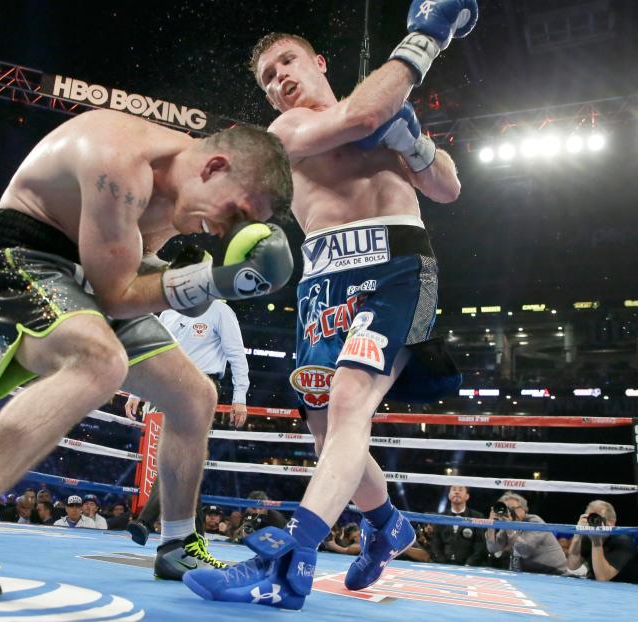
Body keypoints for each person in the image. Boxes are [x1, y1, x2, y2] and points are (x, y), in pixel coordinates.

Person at [0, 105, 294, 597]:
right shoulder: (119, 160)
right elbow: (117, 294)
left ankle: (177, 544)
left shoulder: (180, 200)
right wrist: (209, 279)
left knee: (196, 396)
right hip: (22, 258)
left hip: (88, 279)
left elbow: (135, 277)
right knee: (99, 362)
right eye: (236, 213)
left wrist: (202, 283)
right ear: (213, 168)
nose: (226, 230)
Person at [184, 0, 474, 610]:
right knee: (328, 431)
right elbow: (365, 110)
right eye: (267, 78)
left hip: (395, 268)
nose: (279, 78)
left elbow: (447, 188)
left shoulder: (385, 113)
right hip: (323, 283)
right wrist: (427, 37)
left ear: (317, 62)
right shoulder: (287, 133)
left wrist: (416, 146)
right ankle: (387, 523)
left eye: (286, 61)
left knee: (348, 404)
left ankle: (290, 558)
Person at [124, 298, 251, 546]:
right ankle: (197, 536)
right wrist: (135, 391)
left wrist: (240, 397)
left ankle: (146, 520)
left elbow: (236, 353)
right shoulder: (168, 313)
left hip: (200, 386)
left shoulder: (219, 310)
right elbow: (154, 353)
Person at [566, 500, 638, 584]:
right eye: (590, 517)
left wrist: (596, 542)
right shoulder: (588, 537)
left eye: (598, 518)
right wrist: (577, 534)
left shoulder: (623, 541)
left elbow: (603, 577)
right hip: (601, 587)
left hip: (632, 589)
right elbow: (572, 566)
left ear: (611, 523)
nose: (594, 521)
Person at [484, 493, 567, 576]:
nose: (509, 511)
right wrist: (491, 524)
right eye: (507, 508)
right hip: (530, 573)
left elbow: (525, 550)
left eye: (513, 508)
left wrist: (509, 527)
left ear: (524, 509)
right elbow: (493, 548)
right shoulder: (509, 524)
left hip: (553, 572)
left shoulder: (534, 522)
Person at [428, 485, 487, 566]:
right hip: (444, 565)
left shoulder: (477, 516)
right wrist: (443, 563)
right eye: (454, 489)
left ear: (467, 496)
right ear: (449, 495)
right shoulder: (441, 517)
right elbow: (435, 543)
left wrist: (469, 564)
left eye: (460, 490)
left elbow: (480, 545)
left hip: (469, 566)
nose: (457, 492)